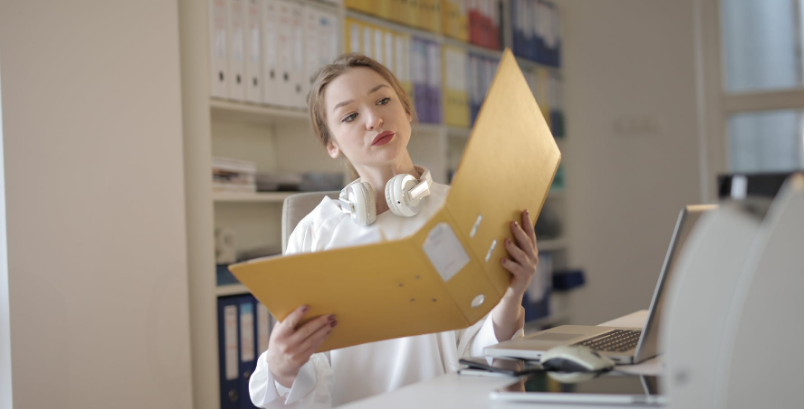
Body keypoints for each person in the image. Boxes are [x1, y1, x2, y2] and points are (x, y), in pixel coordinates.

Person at [249, 53, 540, 408]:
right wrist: (281, 366)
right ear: (332, 144)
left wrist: (512, 295)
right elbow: (304, 381)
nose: (374, 119)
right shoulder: (314, 234)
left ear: (407, 112)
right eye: (350, 116)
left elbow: (489, 365)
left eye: (383, 100)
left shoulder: (465, 210)